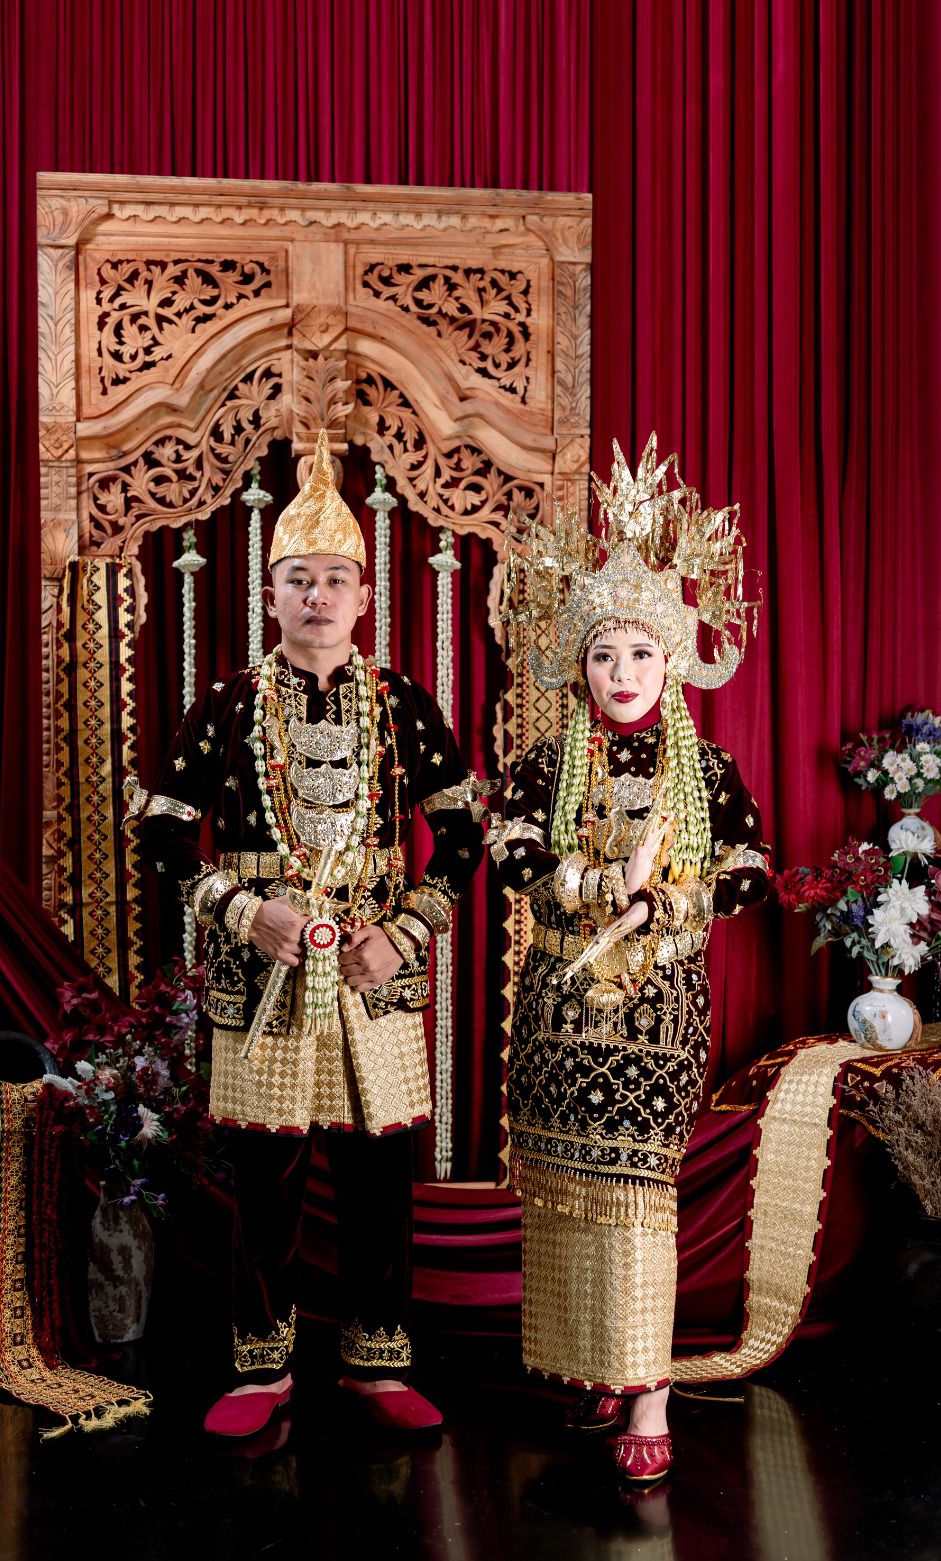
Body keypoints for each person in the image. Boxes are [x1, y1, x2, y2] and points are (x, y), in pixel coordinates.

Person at [135, 432, 487, 1436]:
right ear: (270, 596)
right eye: (299, 580)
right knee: (264, 1177)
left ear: (364, 596)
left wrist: (406, 933)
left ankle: (378, 1363)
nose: (318, 597)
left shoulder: (404, 705)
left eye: (335, 579)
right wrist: (246, 910)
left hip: (375, 970)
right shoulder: (228, 706)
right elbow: (161, 833)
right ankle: (261, 1370)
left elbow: (464, 837)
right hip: (263, 974)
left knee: (381, 1176)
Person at [490, 436, 771, 1488]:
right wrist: (587, 884)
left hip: (656, 1006)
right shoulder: (542, 762)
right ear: (580, 663)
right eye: (604, 655)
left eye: (640, 655)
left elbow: (752, 869)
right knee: (566, 1184)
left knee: (638, 1191)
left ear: (672, 662)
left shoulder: (709, 769)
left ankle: (648, 1388)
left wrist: (674, 898)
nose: (621, 675)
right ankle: (596, 1365)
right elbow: (507, 849)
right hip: (560, 1000)